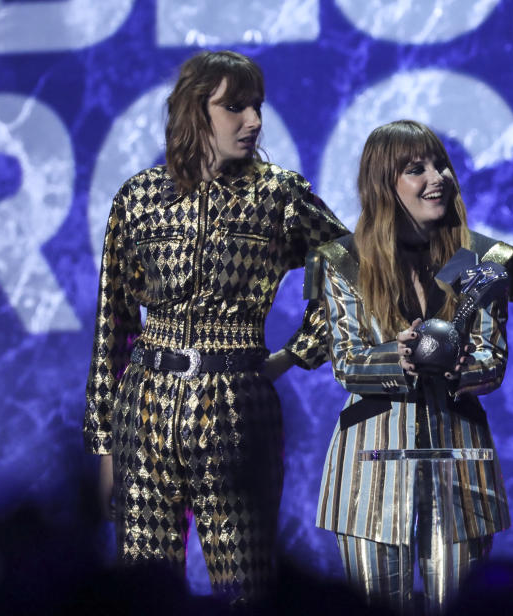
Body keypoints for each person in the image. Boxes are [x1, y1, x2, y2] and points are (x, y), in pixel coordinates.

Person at [83, 50, 347, 601]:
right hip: (144, 405)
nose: (253, 121)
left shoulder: (278, 193)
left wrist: (296, 353)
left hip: (237, 405)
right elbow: (113, 326)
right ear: (194, 112)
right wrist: (104, 445)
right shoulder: (137, 200)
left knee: (246, 588)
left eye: (257, 107)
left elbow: (353, 268)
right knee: (144, 594)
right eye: (235, 107)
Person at [292, 120, 513, 611]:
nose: (436, 177)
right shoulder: (345, 261)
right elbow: (348, 360)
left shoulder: (480, 258)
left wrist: (454, 363)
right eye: (416, 169)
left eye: (440, 164)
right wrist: (397, 358)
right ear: (384, 184)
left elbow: (494, 359)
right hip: (370, 461)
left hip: (459, 456)